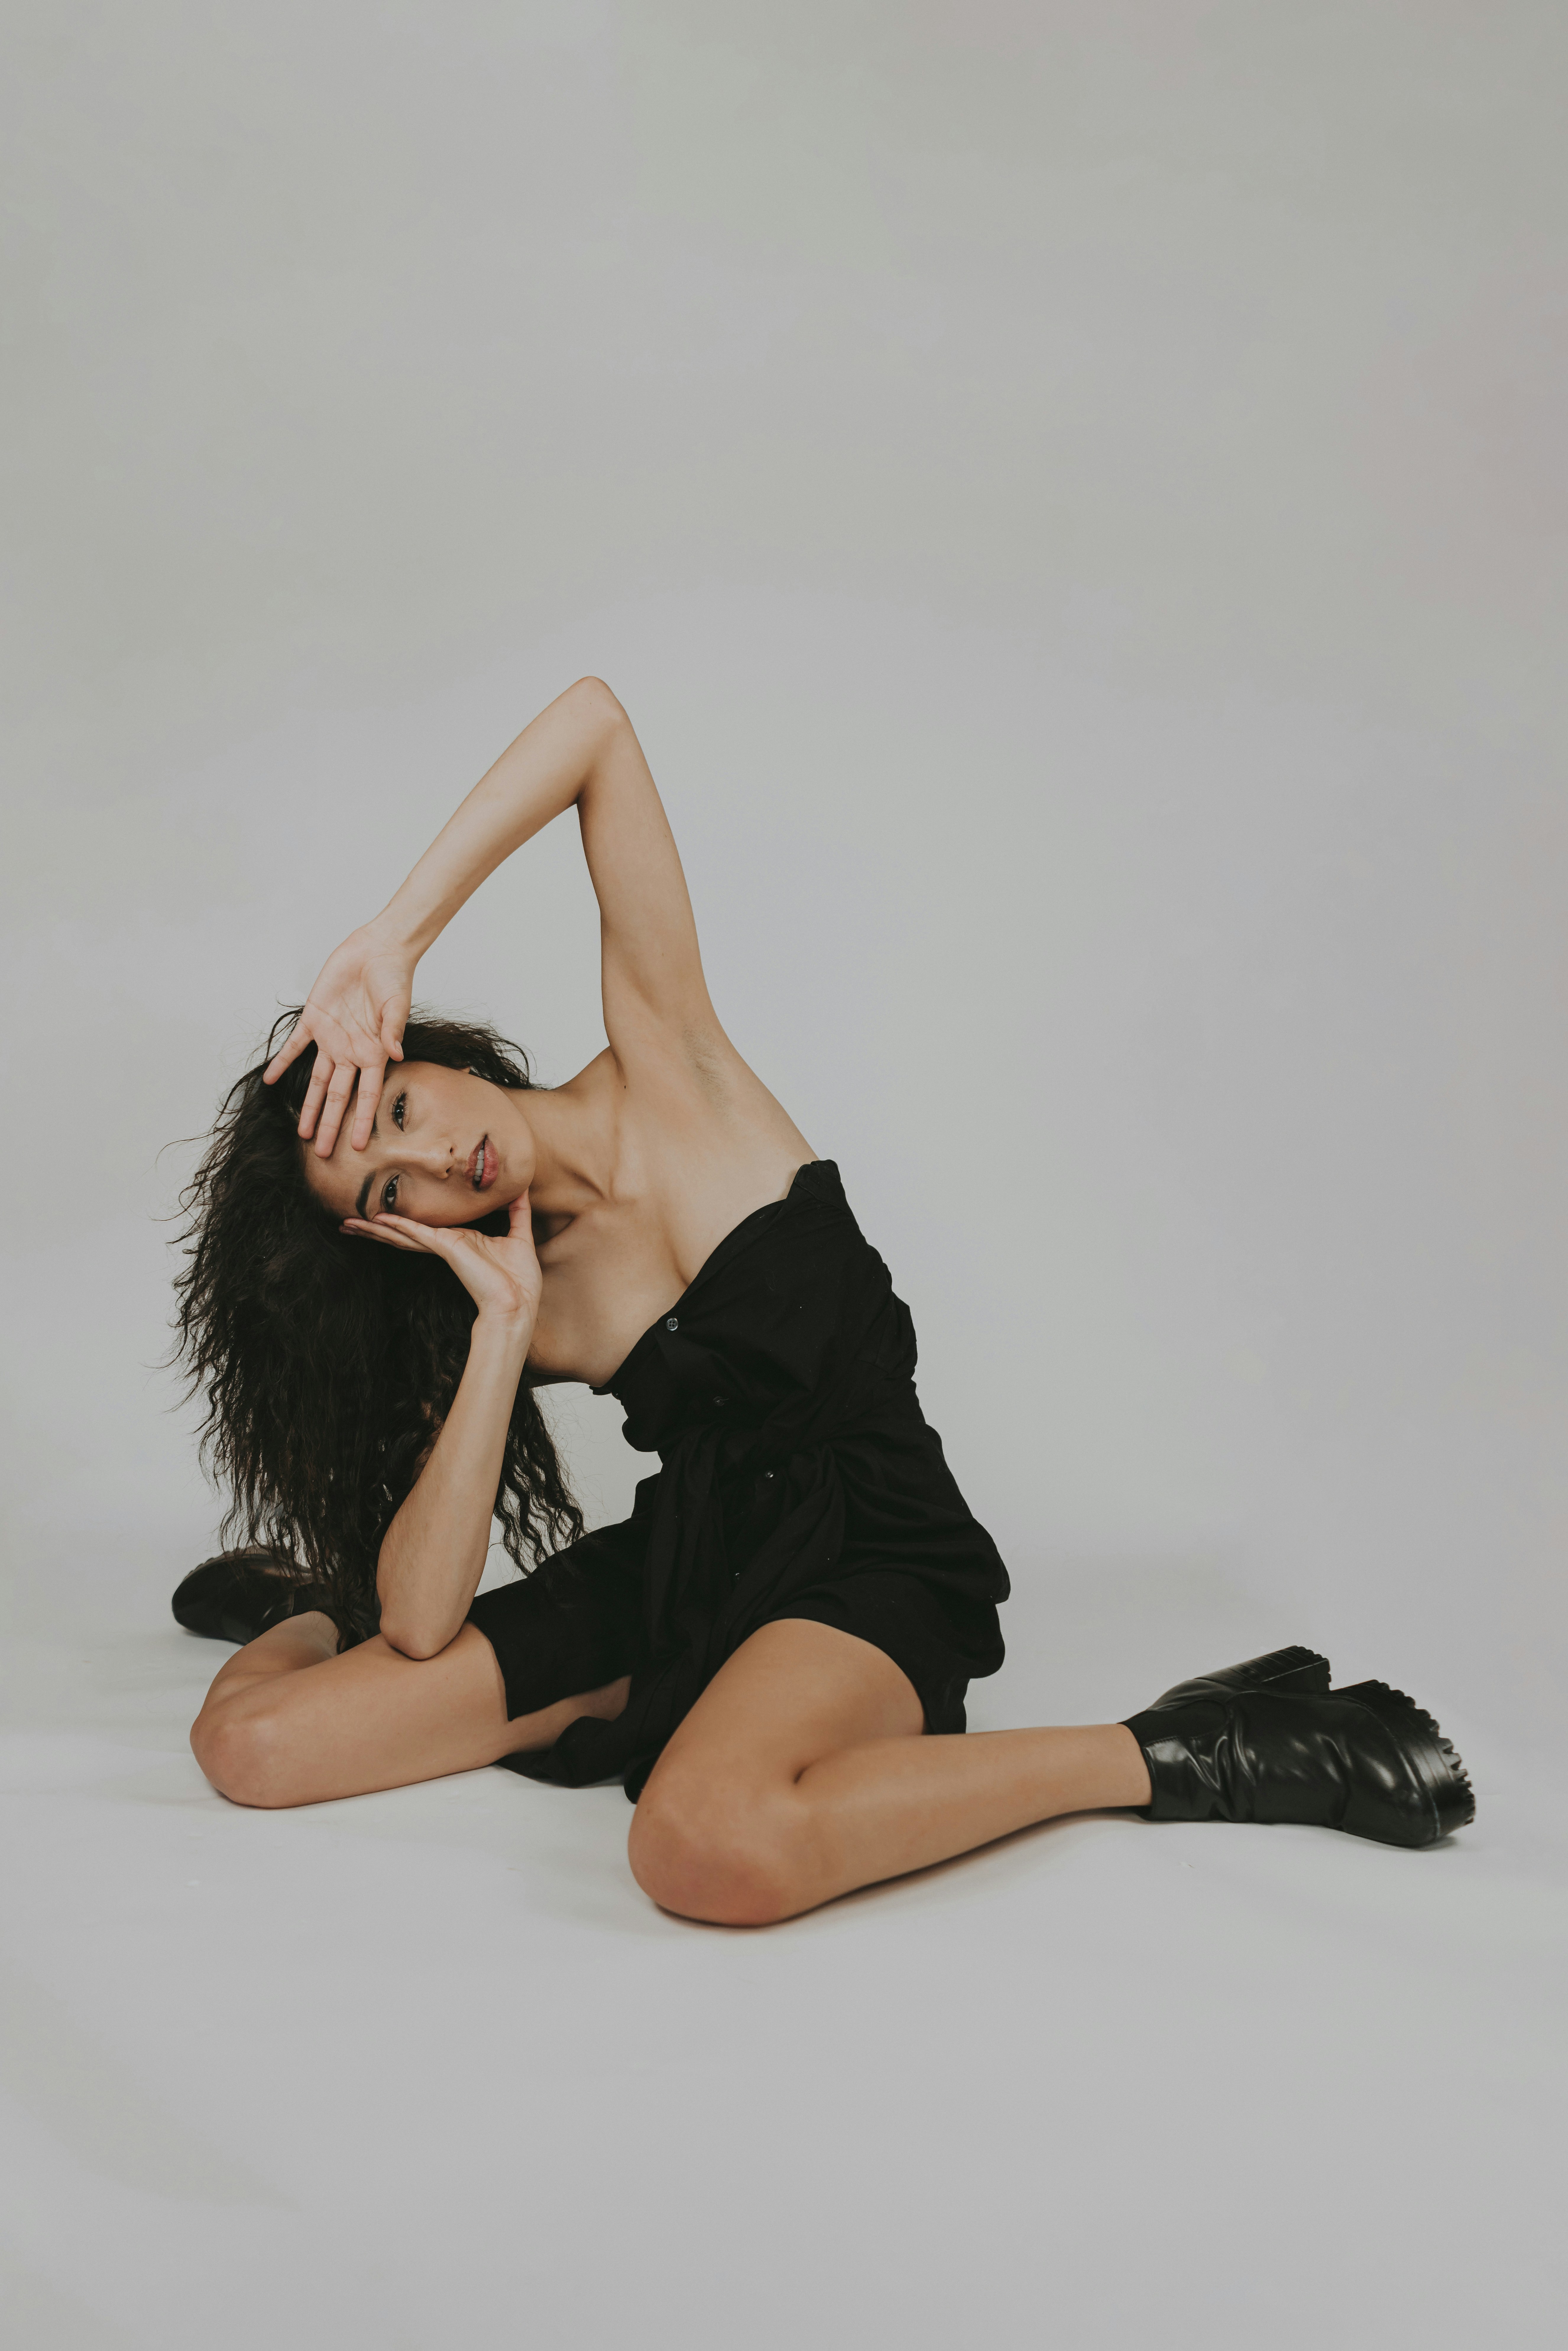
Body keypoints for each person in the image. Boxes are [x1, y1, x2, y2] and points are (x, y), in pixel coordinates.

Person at [171, 677, 1473, 1925]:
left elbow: (595, 726)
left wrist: (394, 935)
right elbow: (421, 1617)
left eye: (400, 1108)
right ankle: (307, 1604)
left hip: (872, 1556)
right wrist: (505, 1333)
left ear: (430, 1053)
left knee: (703, 1840)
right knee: (253, 1742)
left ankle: (1177, 1747)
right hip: (687, 1567)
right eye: (392, 1192)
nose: (433, 1162)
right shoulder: (512, 1291)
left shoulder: (668, 1065)